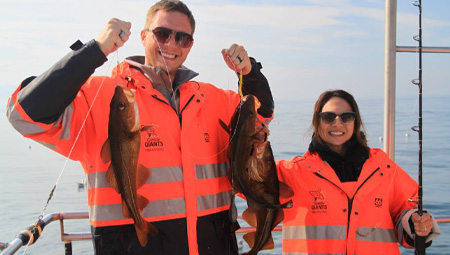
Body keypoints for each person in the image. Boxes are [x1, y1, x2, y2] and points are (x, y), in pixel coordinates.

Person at [6, 1, 274, 254]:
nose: (171, 43)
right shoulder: (102, 95)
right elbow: (24, 115)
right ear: (144, 36)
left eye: (183, 38)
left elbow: (260, 115)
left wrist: (250, 73)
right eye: (162, 33)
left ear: (190, 45)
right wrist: (94, 51)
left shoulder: (213, 98)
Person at [276, 90, 440, 254]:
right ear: (317, 122)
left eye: (346, 117)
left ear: (355, 122)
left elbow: (409, 207)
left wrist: (416, 222)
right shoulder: (292, 172)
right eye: (328, 117)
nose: (337, 123)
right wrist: (252, 70)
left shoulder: (384, 167)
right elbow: (250, 182)